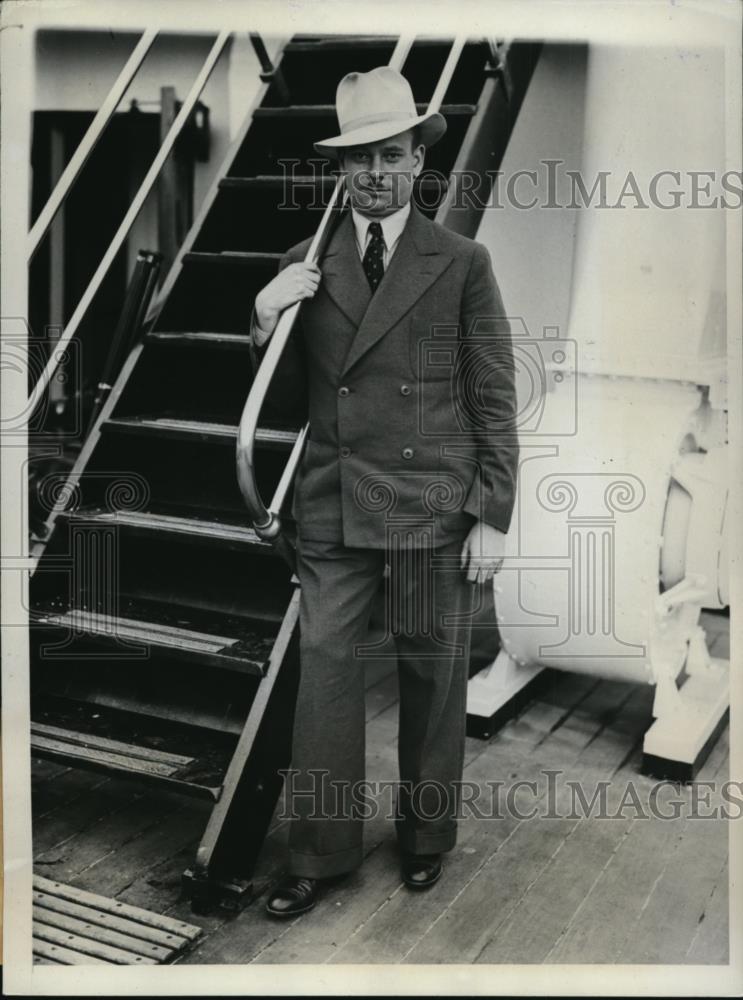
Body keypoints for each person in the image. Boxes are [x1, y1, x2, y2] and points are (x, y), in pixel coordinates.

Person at [249, 66, 519, 917]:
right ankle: (319, 854)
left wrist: (491, 512)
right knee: (325, 683)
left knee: (430, 683)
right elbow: (283, 403)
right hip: (331, 506)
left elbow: (491, 394)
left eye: (391, 155)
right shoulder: (303, 263)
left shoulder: (462, 262)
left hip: (430, 505)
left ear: (416, 163)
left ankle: (424, 837)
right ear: (340, 168)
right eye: (359, 157)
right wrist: (262, 321)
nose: (376, 172)